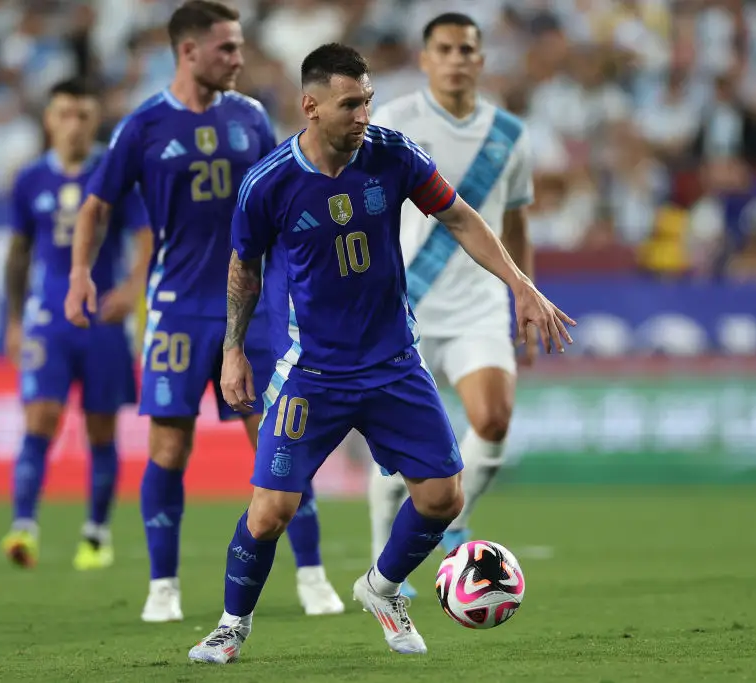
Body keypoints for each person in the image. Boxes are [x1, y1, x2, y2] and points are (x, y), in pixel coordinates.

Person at [187, 42, 574, 664]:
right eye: (350, 104)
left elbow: (462, 219)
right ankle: (232, 625)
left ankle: (382, 588)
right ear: (310, 106)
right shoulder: (270, 183)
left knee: (443, 499)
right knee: (270, 511)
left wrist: (521, 287)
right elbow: (243, 270)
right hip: (313, 371)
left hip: (394, 363)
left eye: (367, 100)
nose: (363, 114)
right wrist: (234, 351)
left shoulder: (392, 155)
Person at [66, 1, 342, 622]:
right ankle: (163, 586)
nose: (240, 59)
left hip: (255, 311)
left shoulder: (251, 116)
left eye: (241, 47)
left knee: (280, 445)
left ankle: (313, 576)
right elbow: (95, 205)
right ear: (188, 52)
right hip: (177, 312)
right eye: (227, 49)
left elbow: (286, 193)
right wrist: (82, 272)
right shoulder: (142, 126)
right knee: (168, 449)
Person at [366, 12, 537, 599]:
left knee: (492, 420)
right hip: (403, 302)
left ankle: (452, 517)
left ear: (481, 59)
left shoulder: (510, 135)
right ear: (425, 58)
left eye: (468, 48)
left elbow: (516, 224)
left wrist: (526, 295)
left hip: (478, 307)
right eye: (446, 48)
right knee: (398, 452)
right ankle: (381, 557)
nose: (458, 58)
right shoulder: (393, 121)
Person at [0, 77, 147, 571]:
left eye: (83, 115)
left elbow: (147, 237)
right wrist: (15, 320)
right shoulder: (29, 180)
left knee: (100, 429)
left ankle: (96, 533)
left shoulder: (113, 170)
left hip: (102, 321)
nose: (73, 125)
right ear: (48, 120)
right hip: (48, 319)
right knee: (39, 419)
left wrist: (130, 291)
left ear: (95, 120)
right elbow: (19, 253)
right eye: (63, 114)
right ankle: (24, 527)